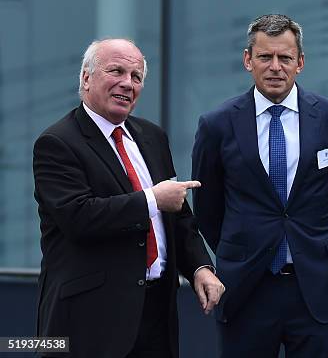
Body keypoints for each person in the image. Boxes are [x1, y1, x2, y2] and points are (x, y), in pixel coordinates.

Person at [33, 38, 224, 358]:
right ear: (86, 78)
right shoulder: (57, 142)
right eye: (116, 71)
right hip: (90, 320)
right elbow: (78, 217)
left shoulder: (151, 136)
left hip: (156, 315)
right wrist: (151, 199)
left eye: (136, 77)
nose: (127, 83)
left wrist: (200, 268)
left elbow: (177, 213)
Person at [192, 14, 328, 358]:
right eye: (265, 57)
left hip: (315, 287)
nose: (275, 67)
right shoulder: (216, 125)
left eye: (284, 58)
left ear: (300, 63)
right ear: (247, 60)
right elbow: (208, 211)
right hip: (247, 288)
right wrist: (243, 247)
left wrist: (315, 242)